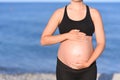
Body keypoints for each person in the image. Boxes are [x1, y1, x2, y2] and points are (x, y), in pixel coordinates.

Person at [40, 0, 105, 80]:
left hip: (88, 68)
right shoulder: (59, 13)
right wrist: (67, 35)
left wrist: (88, 63)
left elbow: (101, 43)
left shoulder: (94, 13)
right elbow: (44, 40)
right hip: (65, 69)